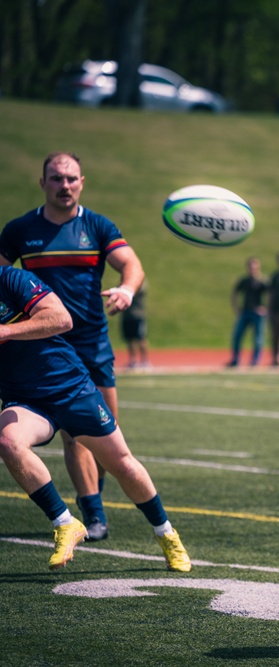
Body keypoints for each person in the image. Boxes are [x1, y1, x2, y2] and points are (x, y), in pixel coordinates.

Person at [0, 264, 191, 572]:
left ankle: (166, 533)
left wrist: (6, 330)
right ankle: (65, 522)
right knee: (8, 441)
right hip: (25, 400)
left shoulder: (10, 279)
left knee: (122, 465)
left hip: (72, 389)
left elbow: (61, 319)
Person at [0, 152, 146, 542]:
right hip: (45, 346)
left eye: (71, 179)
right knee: (72, 433)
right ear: (42, 183)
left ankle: (95, 504)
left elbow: (131, 263)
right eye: (56, 179)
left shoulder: (97, 226)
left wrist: (127, 289)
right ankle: (93, 514)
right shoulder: (20, 230)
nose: (64, 186)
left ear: (82, 181)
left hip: (92, 342)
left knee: (107, 434)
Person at [227, 256, 267, 367]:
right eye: (250, 267)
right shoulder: (244, 281)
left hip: (257, 314)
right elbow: (235, 293)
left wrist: (265, 307)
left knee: (258, 338)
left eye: (254, 267)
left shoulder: (262, 281)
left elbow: (271, 295)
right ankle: (235, 359)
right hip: (245, 312)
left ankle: (255, 361)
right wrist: (236, 308)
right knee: (237, 335)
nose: (252, 269)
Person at [122, 280, 150, 369]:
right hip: (127, 316)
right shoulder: (124, 282)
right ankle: (133, 361)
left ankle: (145, 361)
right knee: (130, 339)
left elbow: (137, 290)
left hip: (137, 315)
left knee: (141, 338)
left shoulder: (140, 284)